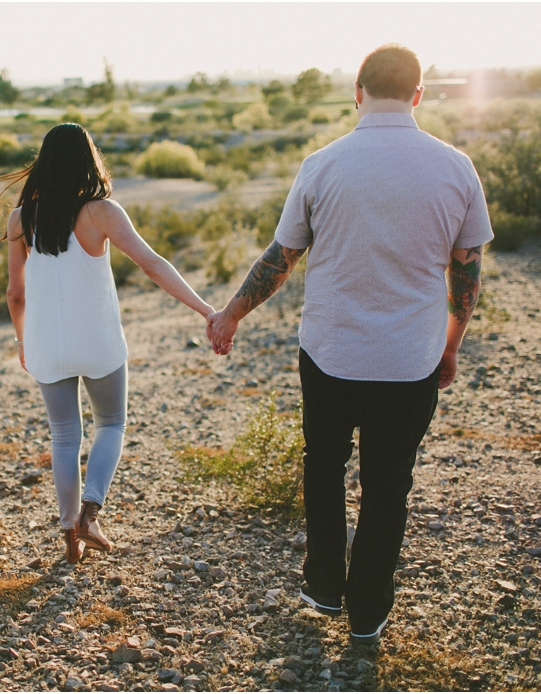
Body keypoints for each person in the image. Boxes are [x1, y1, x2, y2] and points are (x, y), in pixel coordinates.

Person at [206, 44, 493, 645]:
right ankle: (368, 613)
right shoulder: (456, 168)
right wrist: (450, 344)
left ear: (357, 91)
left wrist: (231, 313)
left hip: (330, 355)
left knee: (324, 465)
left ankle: (323, 585)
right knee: (389, 485)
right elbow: (466, 270)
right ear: (418, 95)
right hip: (410, 359)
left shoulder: (322, 165)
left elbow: (281, 259)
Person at [0, 123, 215, 564]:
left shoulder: (21, 220)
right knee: (111, 424)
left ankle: (69, 538)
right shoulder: (101, 213)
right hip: (98, 342)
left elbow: (15, 294)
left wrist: (23, 339)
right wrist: (206, 311)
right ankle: (90, 514)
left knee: (63, 437)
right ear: (86, 160)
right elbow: (153, 264)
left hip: (46, 345)